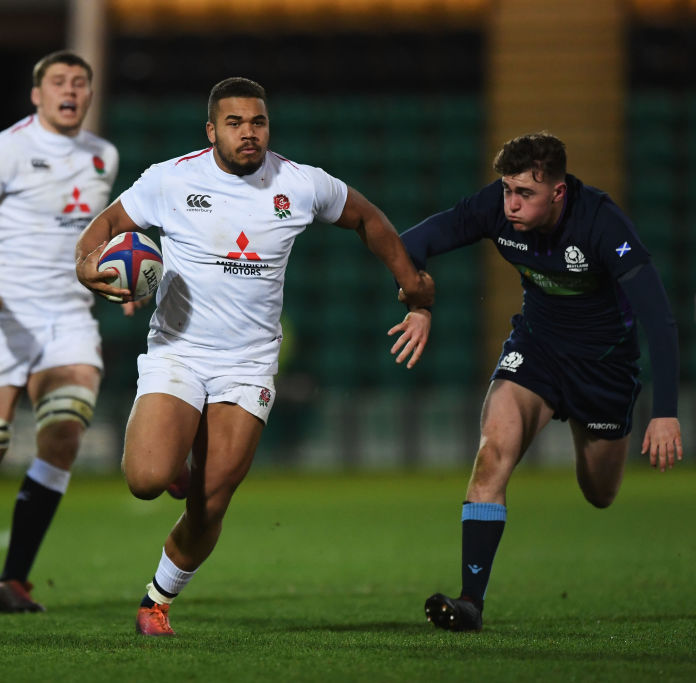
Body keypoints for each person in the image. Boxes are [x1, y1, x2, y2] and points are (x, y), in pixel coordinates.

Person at [75, 76, 435, 636]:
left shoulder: (301, 183)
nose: (249, 133)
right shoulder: (170, 179)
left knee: (209, 503)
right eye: (236, 123)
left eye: (258, 122)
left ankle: (156, 601)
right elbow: (107, 226)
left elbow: (368, 218)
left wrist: (411, 283)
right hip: (179, 351)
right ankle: (175, 461)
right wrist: (85, 267)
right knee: (147, 479)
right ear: (212, 130)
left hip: (248, 364)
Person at [400, 132, 683, 632]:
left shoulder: (601, 222)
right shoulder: (495, 206)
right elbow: (411, 244)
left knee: (599, 492)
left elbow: (658, 319)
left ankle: (584, 429)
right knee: (492, 454)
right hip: (537, 352)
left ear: (558, 192)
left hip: (604, 370)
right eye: (507, 189)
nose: (510, 203)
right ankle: (471, 603)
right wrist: (419, 304)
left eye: (524, 194)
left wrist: (664, 413)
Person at [0, 50, 123, 614]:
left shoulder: (102, 156)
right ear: (36, 95)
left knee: (64, 432)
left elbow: (97, 237)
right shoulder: (6, 148)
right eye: (59, 82)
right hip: (3, 316)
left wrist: (118, 280)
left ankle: (13, 580)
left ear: (90, 94)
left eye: (80, 83)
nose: (70, 90)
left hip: (69, 318)